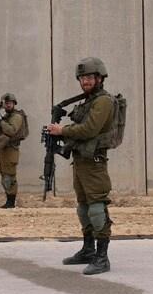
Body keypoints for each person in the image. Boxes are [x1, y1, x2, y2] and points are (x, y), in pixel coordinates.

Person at [46, 58, 117, 276]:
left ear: (99, 78)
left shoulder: (103, 101)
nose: (85, 81)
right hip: (81, 161)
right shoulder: (88, 101)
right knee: (83, 208)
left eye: (89, 77)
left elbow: (89, 129)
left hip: (94, 163)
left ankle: (102, 258)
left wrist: (62, 131)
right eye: (82, 78)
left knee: (96, 209)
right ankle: (88, 250)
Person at [0, 93, 27, 208]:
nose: (7, 105)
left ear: (14, 104)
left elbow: (12, 130)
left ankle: (11, 202)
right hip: (1, 150)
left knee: (9, 177)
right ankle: (9, 200)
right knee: (4, 177)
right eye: (5, 104)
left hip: (11, 150)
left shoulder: (16, 117)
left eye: (9, 103)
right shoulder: (5, 117)